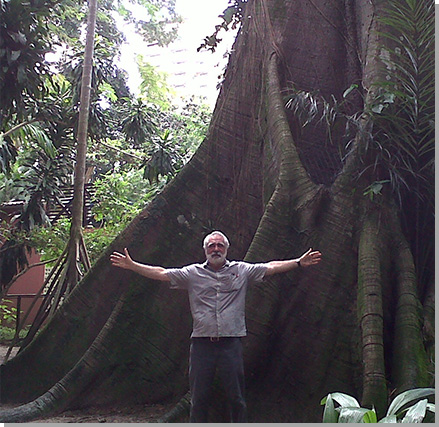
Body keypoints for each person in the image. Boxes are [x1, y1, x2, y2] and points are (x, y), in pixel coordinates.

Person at [110, 230, 321, 423]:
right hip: (202, 345)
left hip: (231, 343)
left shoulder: (242, 270)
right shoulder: (192, 273)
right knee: (199, 397)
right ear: (205, 250)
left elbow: (271, 266)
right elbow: (162, 273)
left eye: (220, 245)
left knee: (236, 397)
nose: (216, 249)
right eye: (211, 246)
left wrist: (298, 262)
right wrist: (133, 265)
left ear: (226, 249)